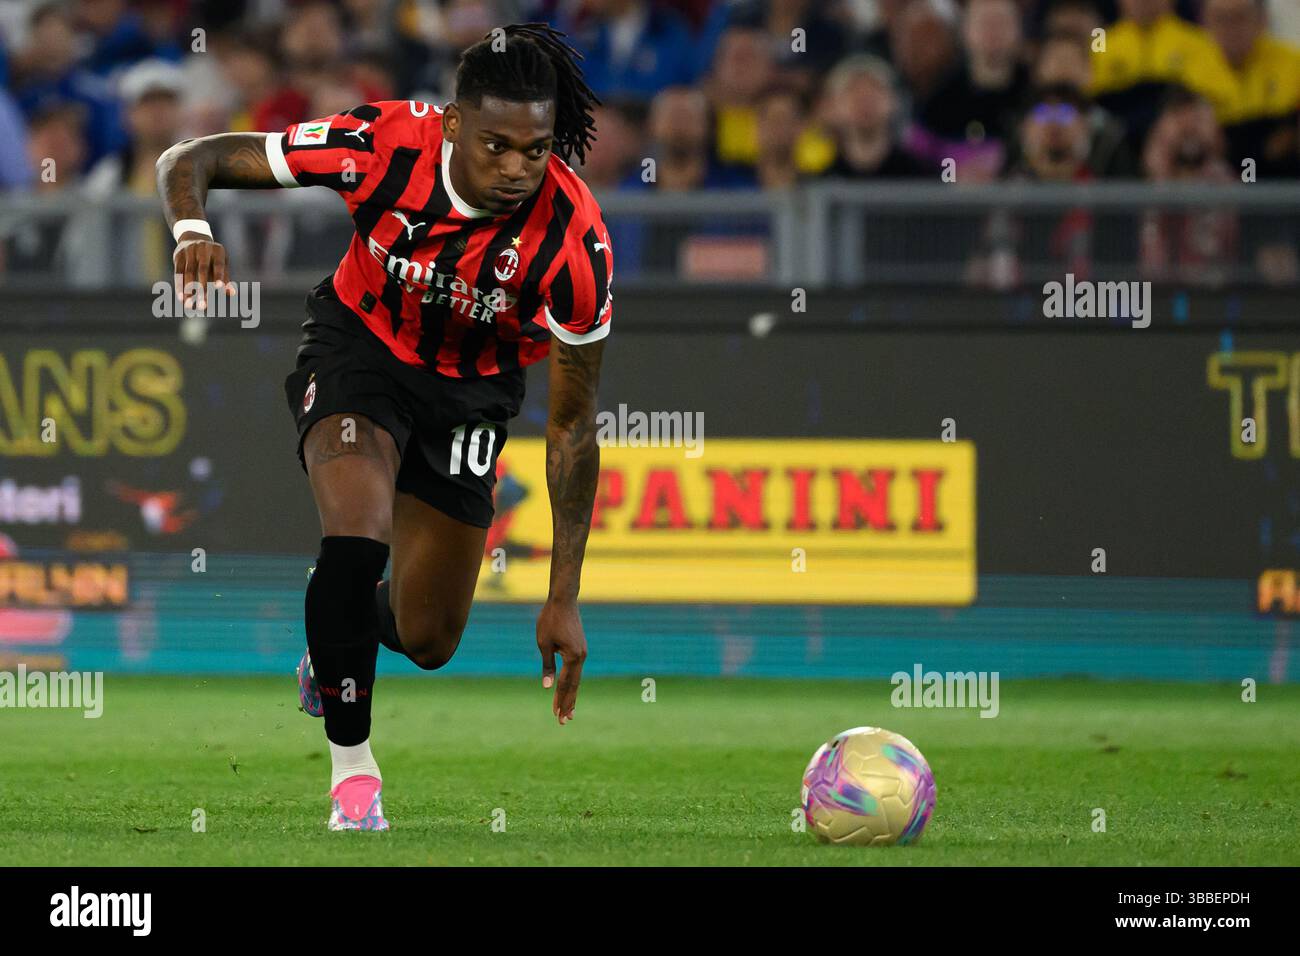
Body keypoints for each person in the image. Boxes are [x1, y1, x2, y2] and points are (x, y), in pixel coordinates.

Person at [156, 24, 612, 831]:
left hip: (471, 394)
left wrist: (563, 596)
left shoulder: (575, 244)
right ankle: (352, 778)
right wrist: (193, 229)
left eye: (535, 150)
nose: (515, 168)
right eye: (495, 144)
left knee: (430, 636)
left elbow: (574, 430)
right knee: (356, 532)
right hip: (358, 348)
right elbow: (188, 157)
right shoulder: (381, 144)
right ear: (450, 125)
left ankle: (337, 630)